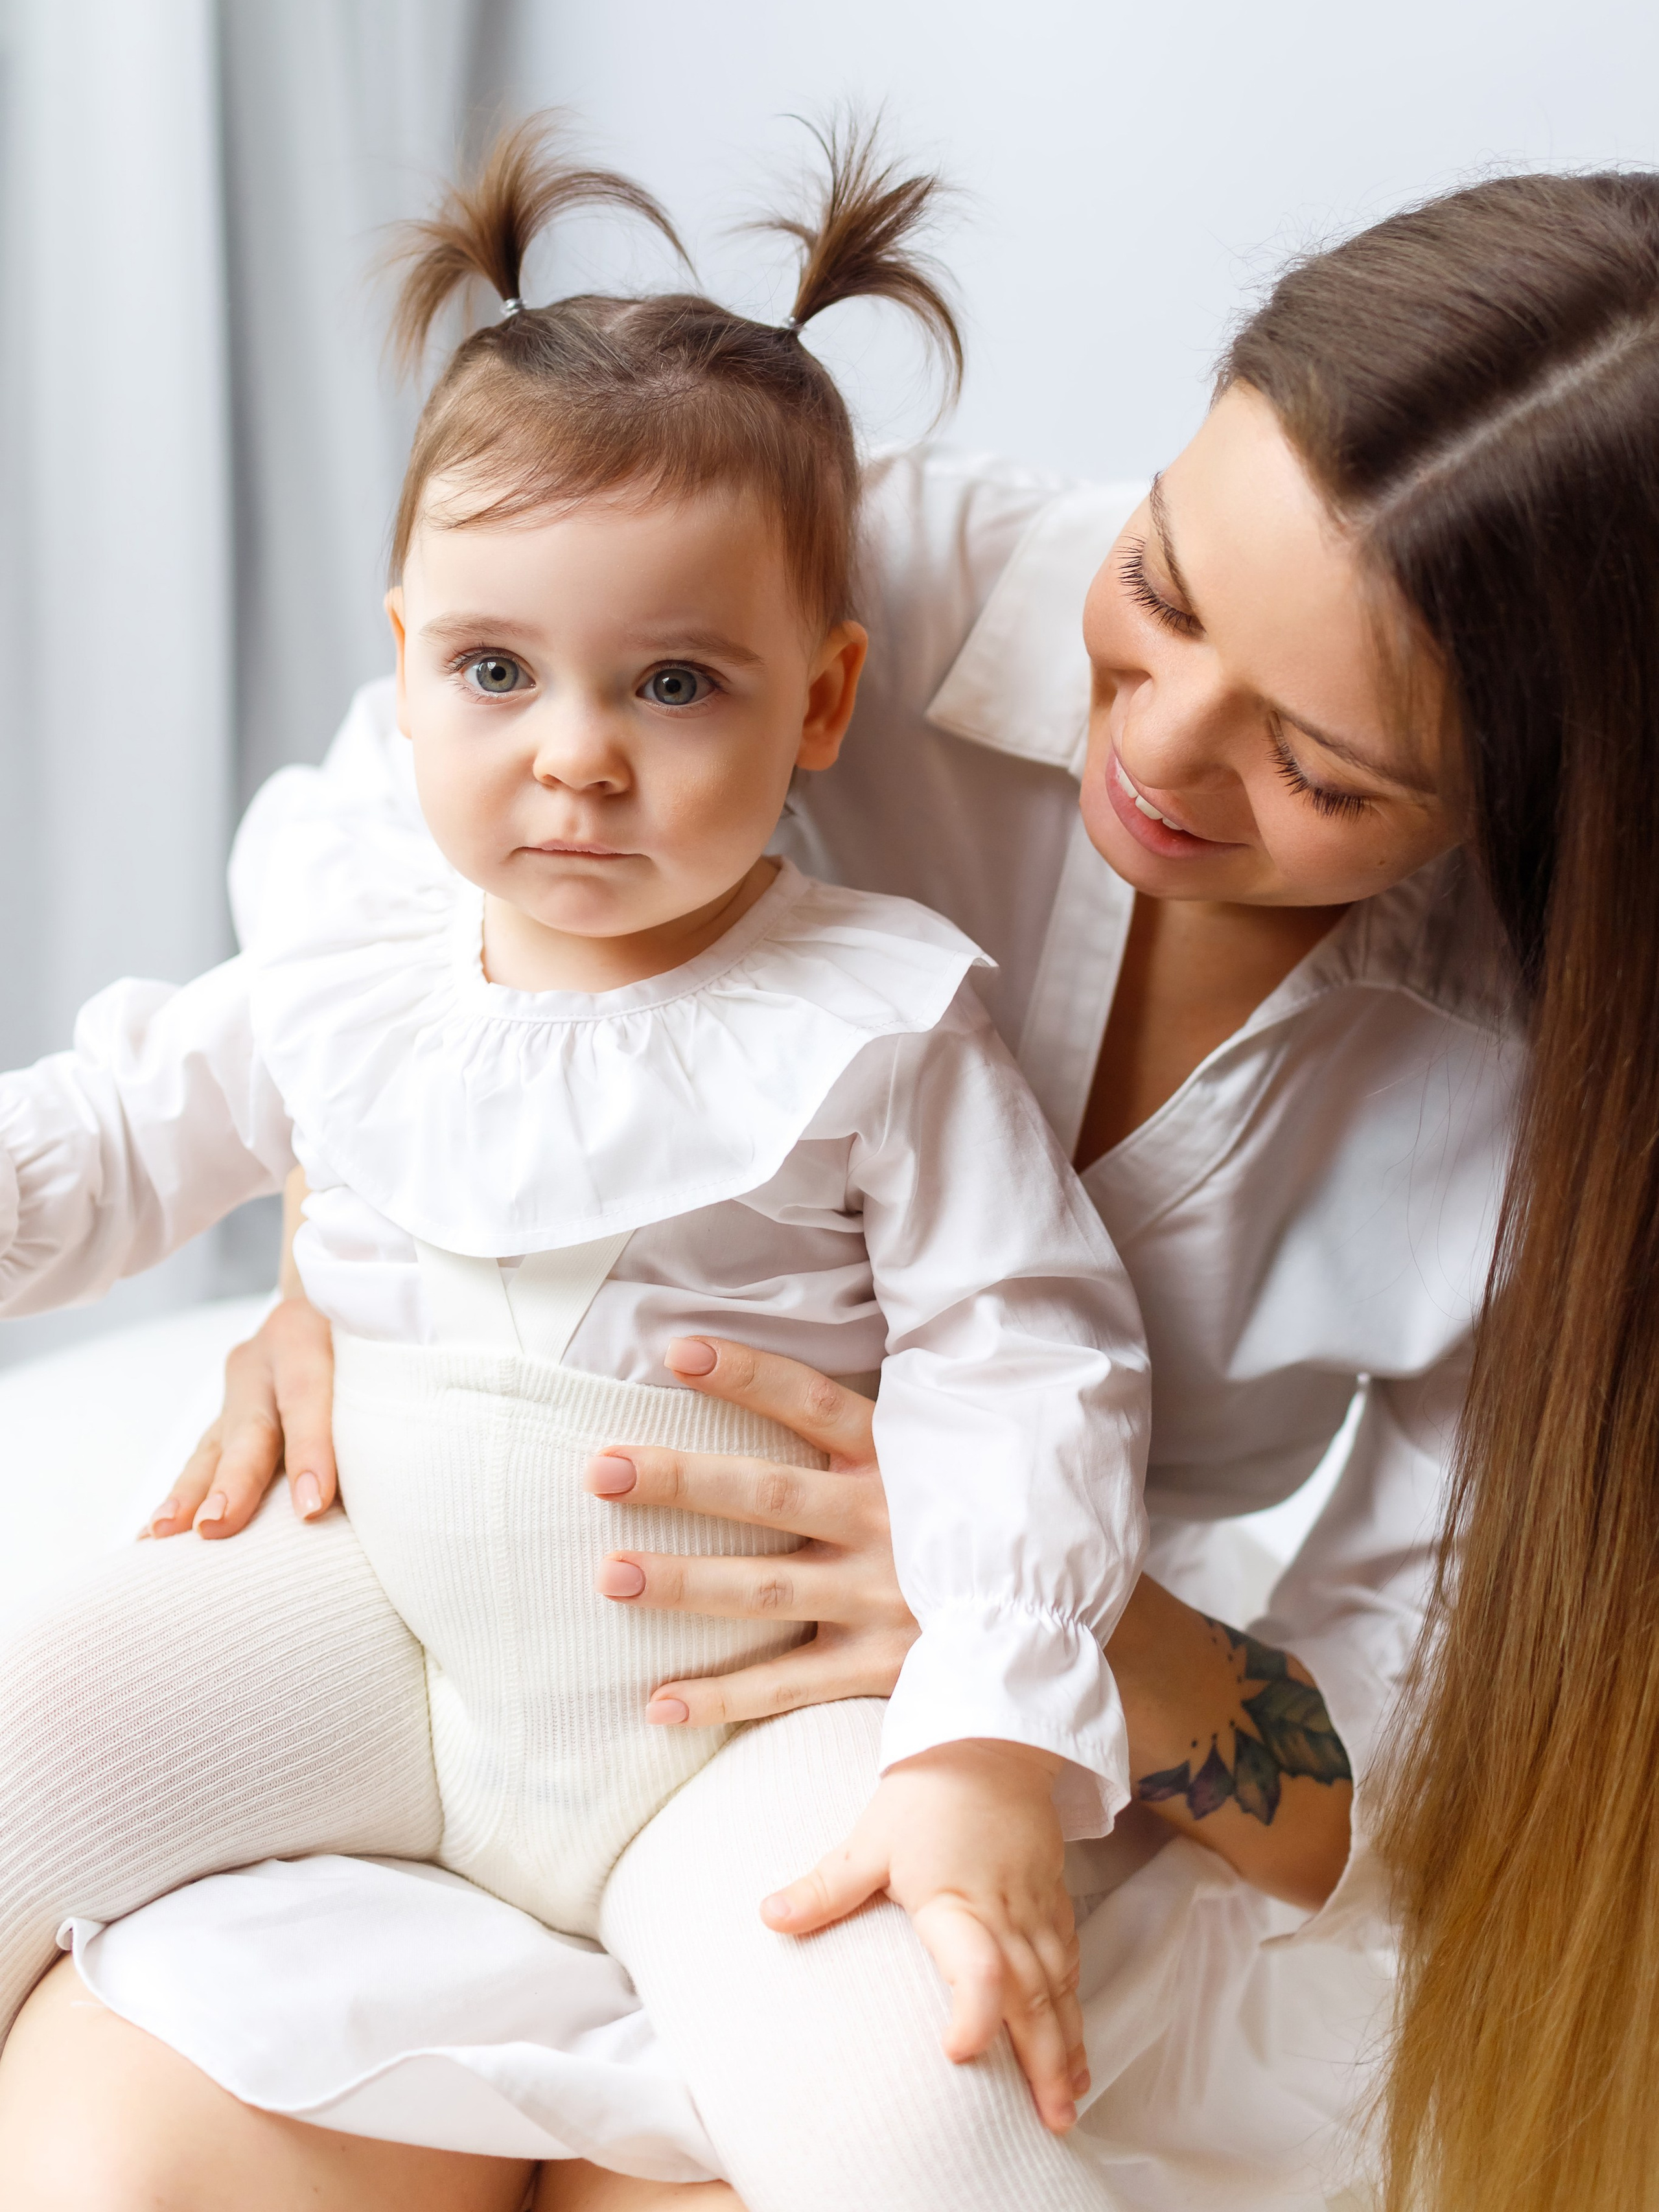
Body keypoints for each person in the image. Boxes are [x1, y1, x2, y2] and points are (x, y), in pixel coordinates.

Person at [5, 165, 1639, 2212]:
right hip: (418, 1615)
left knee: (900, 2119)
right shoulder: (863, 553)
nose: (1166, 739)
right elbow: (371, 856)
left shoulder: (1500, 1089)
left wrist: (1030, 1652)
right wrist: (384, 1222)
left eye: (1323, 766)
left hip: (904, 1758)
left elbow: (1400, 1783)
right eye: (1166, 582)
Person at [0, 115, 1163, 2175]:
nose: (575, 752)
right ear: (405, 663)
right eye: (496, 670)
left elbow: (1028, 1357)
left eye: (676, 683)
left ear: (822, 705)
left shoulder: (883, 1013)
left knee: (934, 2096)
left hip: (742, 1714)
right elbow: (107, 1139)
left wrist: (987, 1725)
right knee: (37, 1727)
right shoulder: (350, 970)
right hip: (383, 1630)